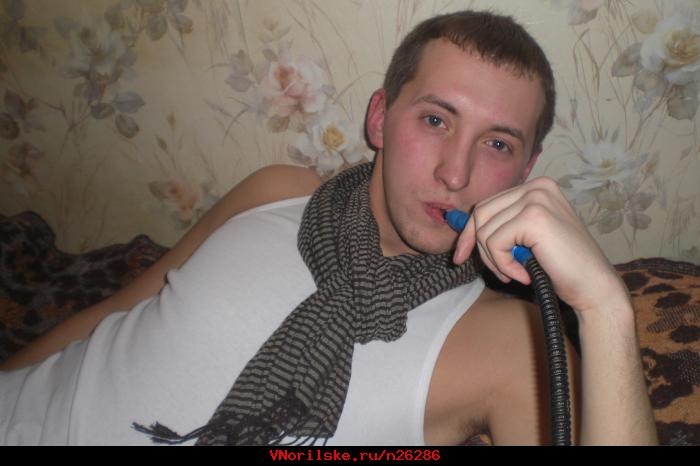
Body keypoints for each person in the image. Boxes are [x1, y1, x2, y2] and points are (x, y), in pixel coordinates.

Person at [0, 10, 657, 445]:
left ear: (526, 172)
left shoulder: (511, 345)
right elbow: (118, 311)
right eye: (435, 120)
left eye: (497, 144)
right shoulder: (274, 191)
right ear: (380, 119)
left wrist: (606, 310)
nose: (455, 174)